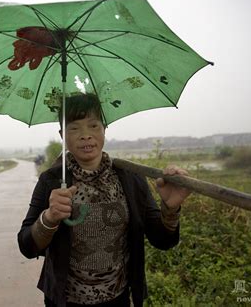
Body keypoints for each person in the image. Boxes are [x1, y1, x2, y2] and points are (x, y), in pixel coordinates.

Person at [18, 93, 191, 307]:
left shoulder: (130, 178)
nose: (85, 136)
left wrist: (170, 209)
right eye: (74, 128)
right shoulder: (51, 180)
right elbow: (27, 246)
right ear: (63, 134)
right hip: (64, 300)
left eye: (93, 126)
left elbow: (163, 240)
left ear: (104, 129)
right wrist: (49, 218)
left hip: (117, 299)